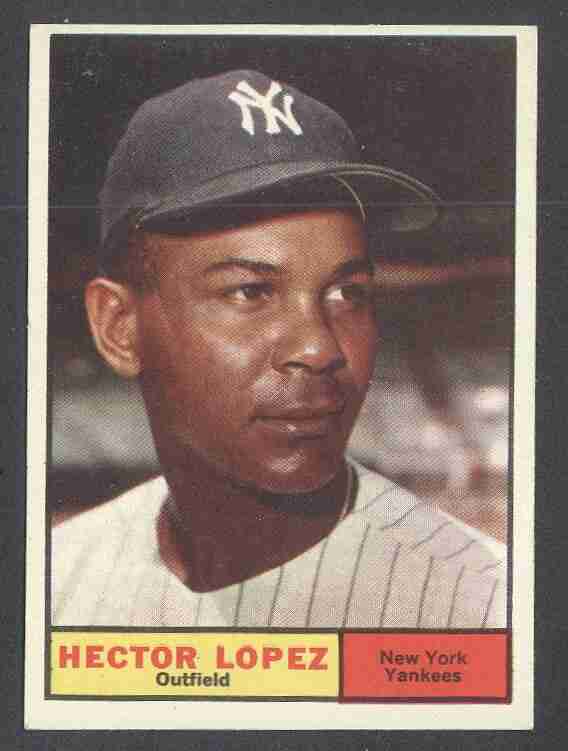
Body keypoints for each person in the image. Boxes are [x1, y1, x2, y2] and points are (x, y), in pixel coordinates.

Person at [52, 69, 506, 628]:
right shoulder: (48, 584)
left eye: (348, 293)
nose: (319, 347)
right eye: (250, 291)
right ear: (119, 327)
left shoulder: (490, 602)